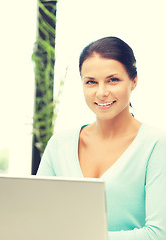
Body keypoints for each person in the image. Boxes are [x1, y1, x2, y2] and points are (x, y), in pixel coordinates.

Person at [37, 36, 166, 239]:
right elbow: (37, 217)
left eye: (113, 80)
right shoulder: (59, 145)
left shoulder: (156, 145)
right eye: (91, 82)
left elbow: (159, 234)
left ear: (134, 81)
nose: (101, 92)